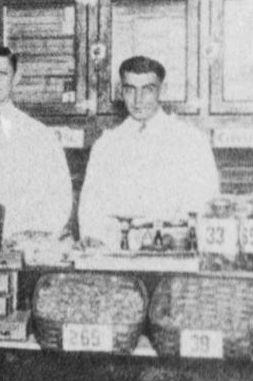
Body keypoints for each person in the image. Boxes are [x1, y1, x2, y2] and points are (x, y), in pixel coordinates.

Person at [74, 55, 222, 247]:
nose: (138, 100)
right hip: (116, 259)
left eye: (148, 90)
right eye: (130, 90)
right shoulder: (105, 146)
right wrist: (95, 241)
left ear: (163, 90)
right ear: (121, 91)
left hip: (172, 256)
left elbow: (204, 210)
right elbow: (90, 214)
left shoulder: (191, 142)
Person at [0, 43, 74, 241]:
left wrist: (32, 233)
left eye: (2, 73)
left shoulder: (39, 135)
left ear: (16, 78)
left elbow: (59, 198)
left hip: (22, 242)